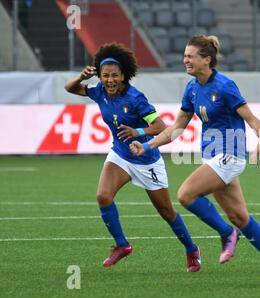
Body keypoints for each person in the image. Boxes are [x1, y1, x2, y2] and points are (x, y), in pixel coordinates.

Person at [130, 35, 260, 286]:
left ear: (207, 60)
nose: (185, 60)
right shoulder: (192, 88)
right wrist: (148, 144)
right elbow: (177, 127)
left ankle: (227, 233)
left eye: (190, 56)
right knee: (240, 216)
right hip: (213, 156)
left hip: (230, 155)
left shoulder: (225, 86)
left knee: (186, 195)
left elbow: (249, 117)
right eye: (184, 55)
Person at [64, 42, 201, 272]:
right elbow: (70, 88)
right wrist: (80, 77)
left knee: (166, 212)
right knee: (103, 196)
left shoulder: (136, 98)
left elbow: (160, 127)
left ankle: (191, 248)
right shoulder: (99, 91)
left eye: (114, 76)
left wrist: (137, 132)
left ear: (123, 75)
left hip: (146, 160)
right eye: (105, 75)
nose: (109, 80)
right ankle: (122, 245)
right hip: (120, 156)